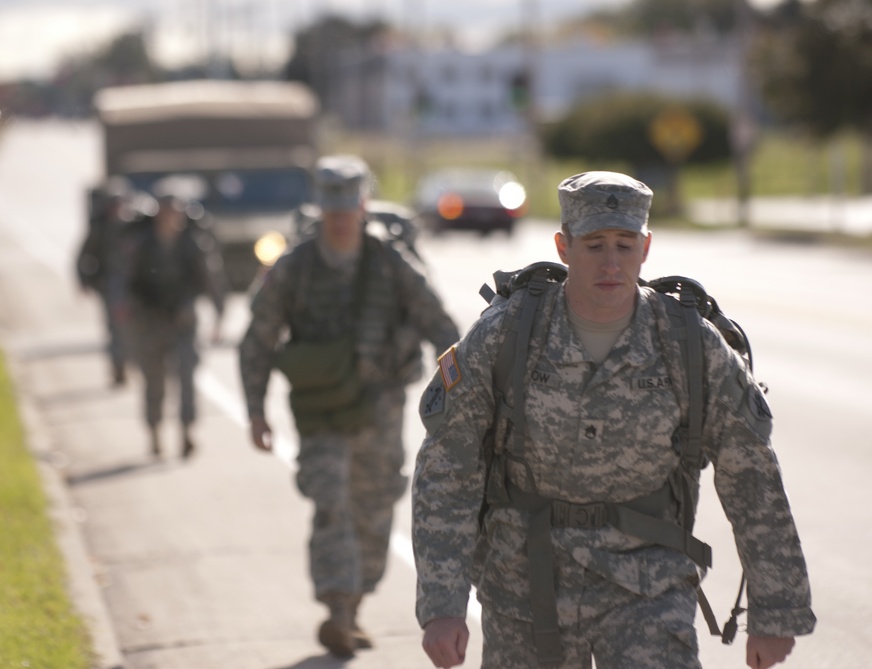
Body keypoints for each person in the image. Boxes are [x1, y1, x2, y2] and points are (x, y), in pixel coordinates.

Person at [411, 171, 816, 669]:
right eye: (594, 244)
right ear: (564, 246)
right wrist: (443, 607)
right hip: (525, 584)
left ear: (646, 248)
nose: (610, 262)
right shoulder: (508, 334)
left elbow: (751, 474)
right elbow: (448, 469)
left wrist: (776, 611)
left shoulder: (688, 343)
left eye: (625, 245)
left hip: (648, 586)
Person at [239, 155, 460, 658]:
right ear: (320, 208)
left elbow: (441, 326)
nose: (340, 219)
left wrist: (460, 396)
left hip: (381, 405)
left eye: (348, 208)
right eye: (331, 209)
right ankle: (338, 609)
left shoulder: (391, 262)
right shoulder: (293, 268)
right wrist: (256, 410)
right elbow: (257, 340)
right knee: (332, 501)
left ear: (363, 206)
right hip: (319, 410)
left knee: (376, 505)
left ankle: (355, 602)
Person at [127, 176, 228, 459]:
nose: (173, 217)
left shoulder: (193, 243)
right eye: (168, 210)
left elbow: (211, 278)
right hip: (150, 322)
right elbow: (127, 280)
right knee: (154, 381)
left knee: (186, 376)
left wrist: (219, 314)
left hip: (184, 322)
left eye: (178, 211)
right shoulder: (142, 243)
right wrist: (129, 315)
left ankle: (186, 432)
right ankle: (155, 432)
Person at [76, 176, 136, 386]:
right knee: (115, 328)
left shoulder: (136, 228)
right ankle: (118, 365)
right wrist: (83, 280)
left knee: (135, 327)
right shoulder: (100, 229)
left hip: (135, 286)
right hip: (110, 284)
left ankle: (130, 362)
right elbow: (84, 256)